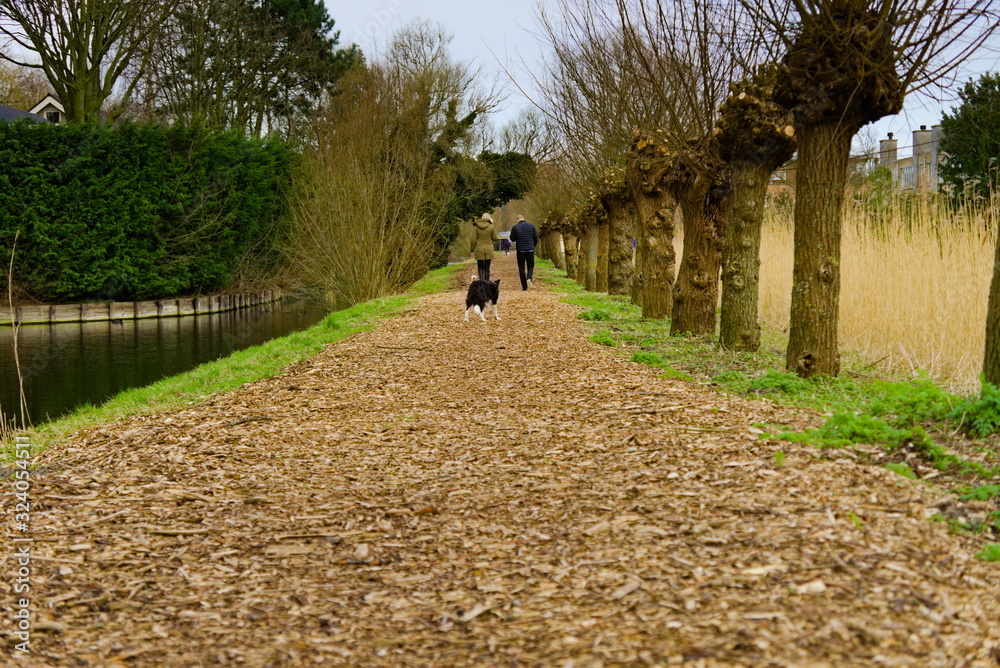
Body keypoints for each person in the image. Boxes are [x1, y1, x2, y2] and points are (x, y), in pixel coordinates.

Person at [508, 215, 539, 290]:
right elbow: (536, 238)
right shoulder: (532, 226)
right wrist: (532, 245)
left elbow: (512, 238)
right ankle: (529, 278)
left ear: (517, 220)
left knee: (521, 268)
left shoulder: (515, 227)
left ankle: (524, 287)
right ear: (523, 219)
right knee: (530, 266)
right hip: (530, 249)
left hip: (520, 250)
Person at [470, 213, 499, 281]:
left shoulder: (476, 227)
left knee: (480, 267)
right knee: (487, 267)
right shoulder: (491, 227)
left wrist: (472, 250)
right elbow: (495, 238)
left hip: (479, 248)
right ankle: (486, 283)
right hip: (488, 248)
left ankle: (481, 282)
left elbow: (473, 239)